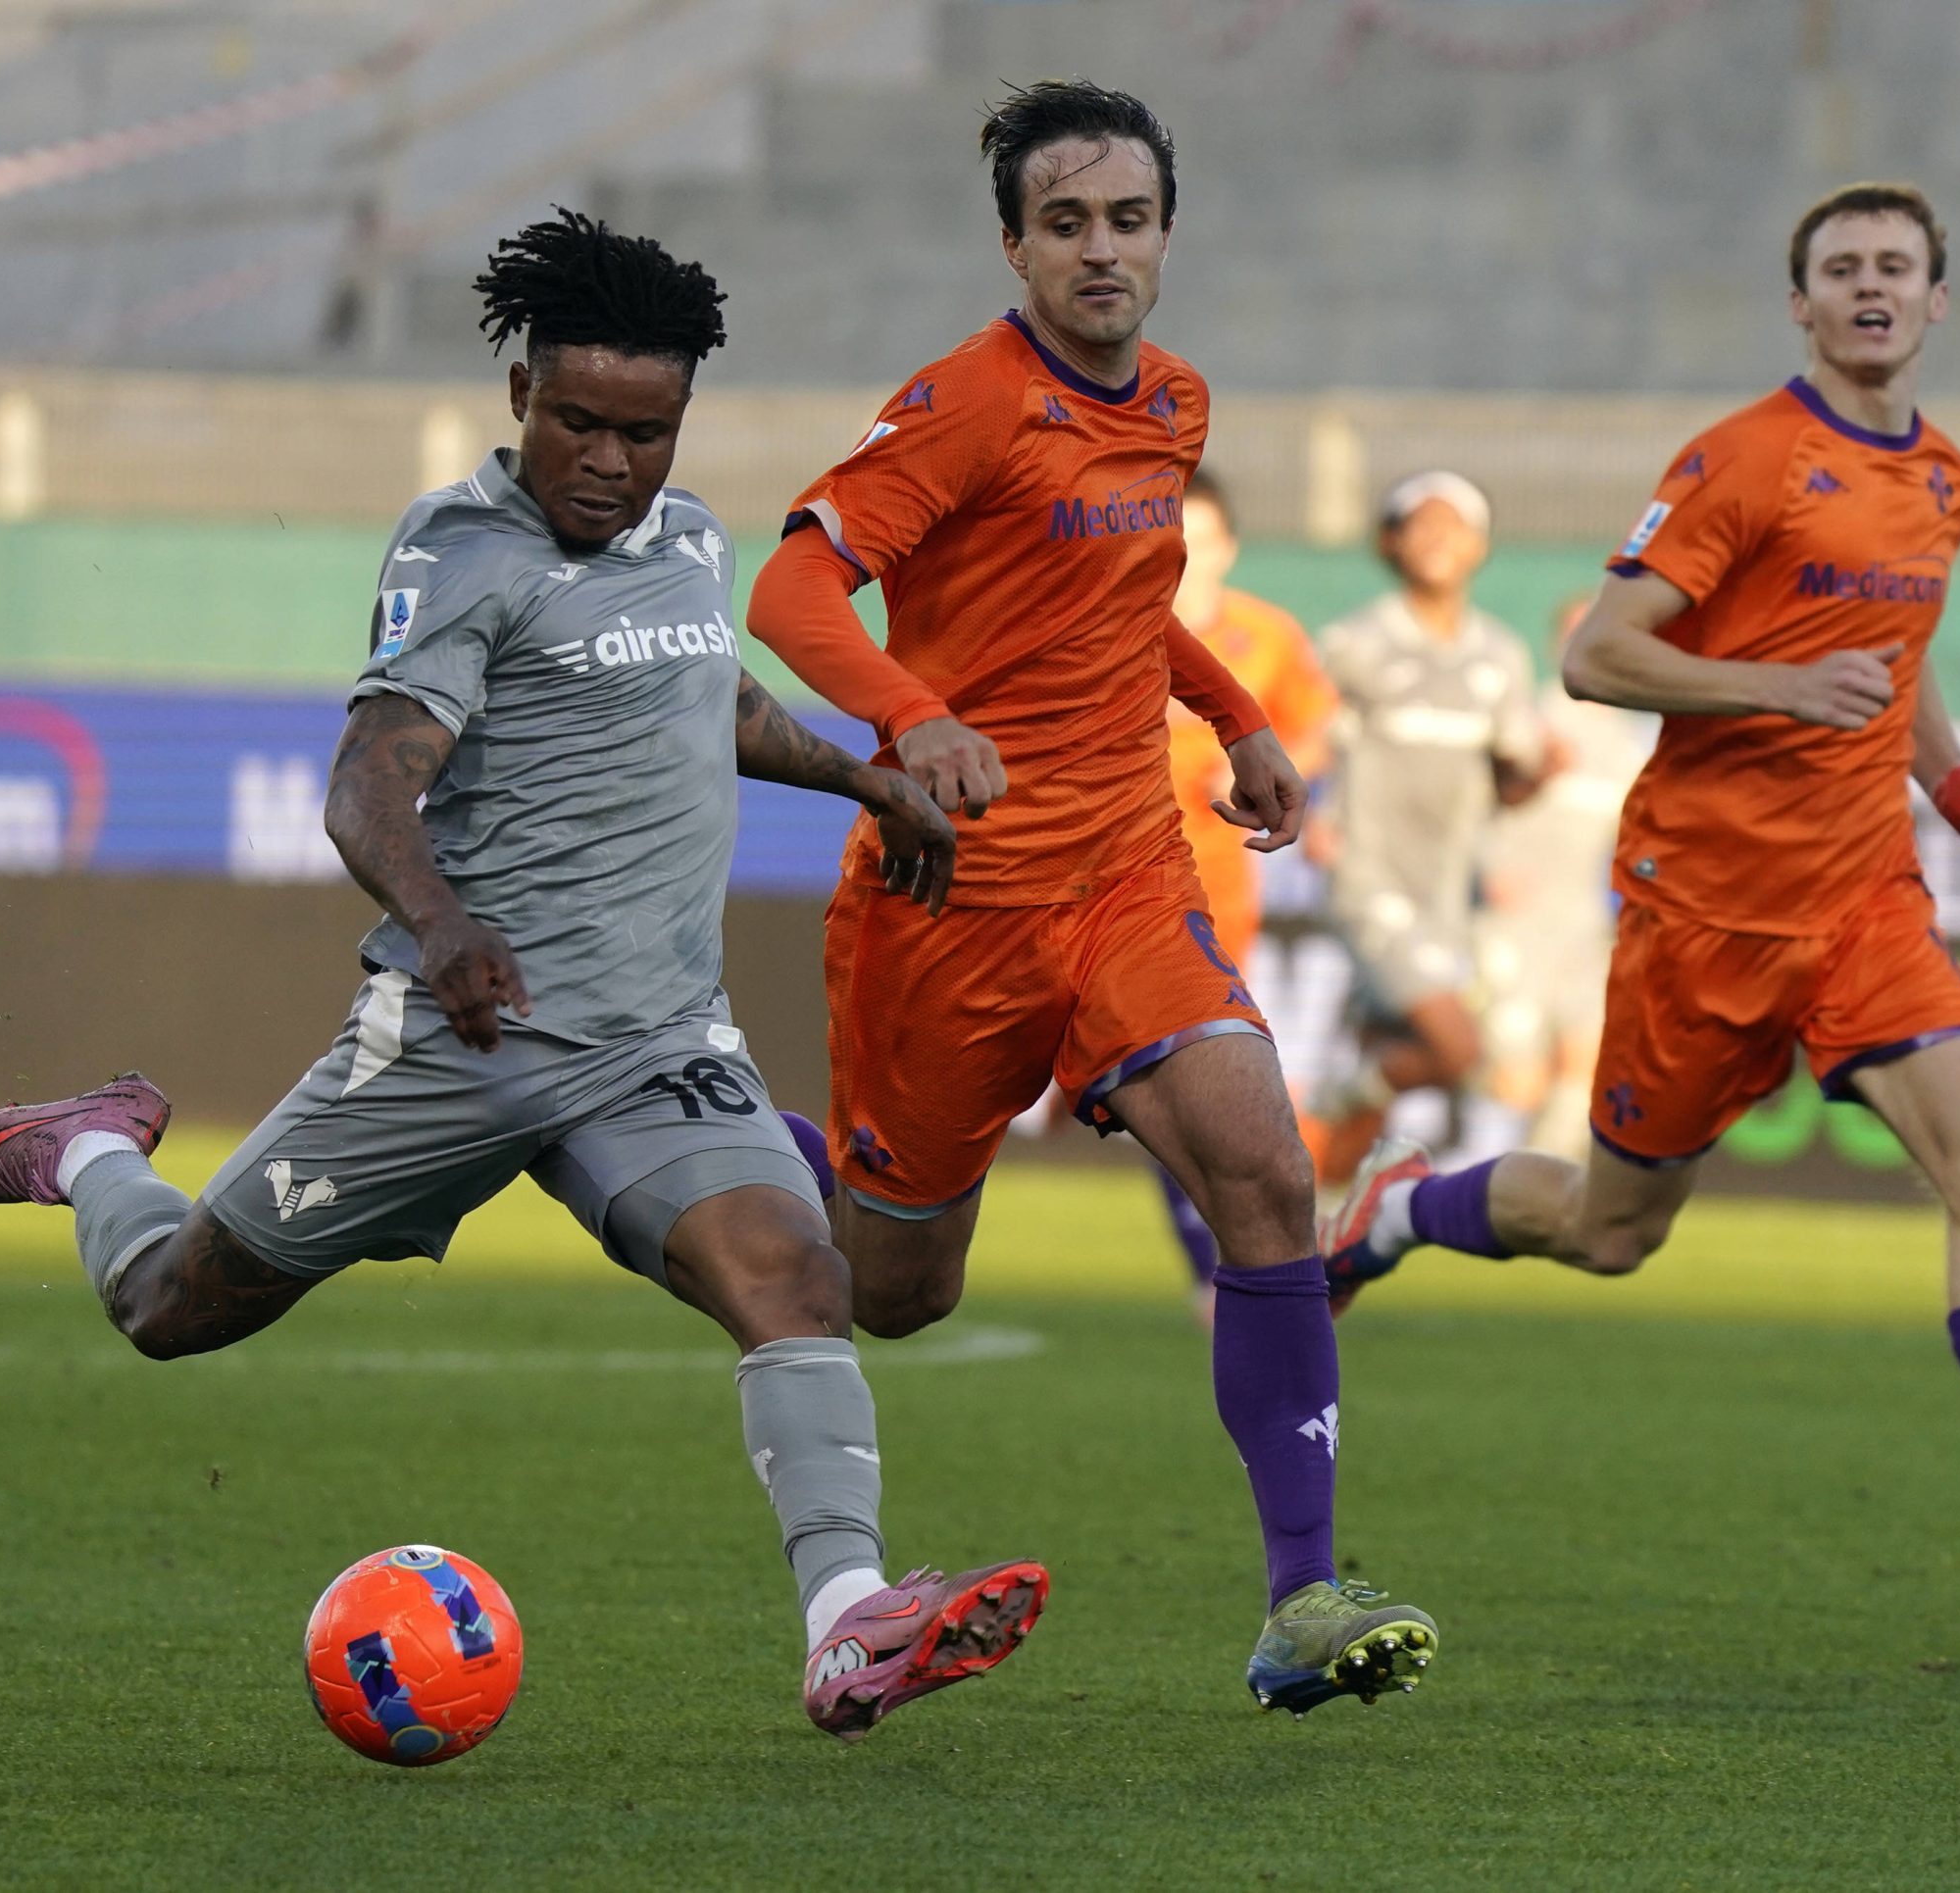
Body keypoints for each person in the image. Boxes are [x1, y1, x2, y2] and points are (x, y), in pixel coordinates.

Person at [0, 211, 1046, 1741]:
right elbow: (366, 786)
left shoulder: (693, 538)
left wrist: (867, 780)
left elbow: (706, 692)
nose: (608, 459)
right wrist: (445, 920)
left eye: (643, 431)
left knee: (798, 1278)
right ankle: (89, 1149)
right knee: (170, 1304)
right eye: (577, 420)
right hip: (463, 1038)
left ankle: (849, 1622)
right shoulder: (460, 553)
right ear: (520, 387)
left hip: (657, 1042)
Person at [1320, 183, 1960, 1610]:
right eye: (1842, 267)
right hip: (1703, 911)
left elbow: (1899, 654)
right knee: (1612, 1231)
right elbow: (1599, 654)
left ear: (1937, 300)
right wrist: (1773, 683)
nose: (1871, 284)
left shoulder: (1946, 476)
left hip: (1865, 904)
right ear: (1803, 303)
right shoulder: (1744, 460)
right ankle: (1397, 1208)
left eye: (1897, 265)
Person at [745, 81, 1438, 1716]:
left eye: (1128, 219)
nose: (1100, 250)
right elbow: (789, 587)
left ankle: (1301, 1599)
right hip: (951, 894)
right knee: (898, 1292)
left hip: (1127, 869)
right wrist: (914, 715)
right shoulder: (967, 405)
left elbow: (1127, 607)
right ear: (1014, 244)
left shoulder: (1174, 403)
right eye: (1066, 223)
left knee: (1263, 1165)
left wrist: (1240, 717)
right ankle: (730, 1136)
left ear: (1166, 234)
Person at [1304, 472, 1546, 1184]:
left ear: (1480, 545)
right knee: (1459, 1051)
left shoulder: (1501, 657)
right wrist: (1303, 805)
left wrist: (1541, 771)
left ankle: (1318, 1239)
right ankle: (1326, 1102)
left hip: (1447, 893)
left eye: (1456, 525)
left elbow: (1511, 782)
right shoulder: (1355, 643)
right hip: (1369, 879)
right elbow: (1308, 734)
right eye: (1422, 523)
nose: (1439, 538)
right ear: (1392, 540)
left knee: (1386, 1059)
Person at [1156, 467, 1335, 1320]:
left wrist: (1280, 768)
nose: (1185, 555)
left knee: (1182, 1074)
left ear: (1225, 543)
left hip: (1215, 893)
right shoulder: (1104, 624)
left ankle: (1213, 1264)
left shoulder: (1265, 636)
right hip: (1095, 880)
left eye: (1200, 537)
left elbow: (1316, 723)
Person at [1469, 593, 1654, 1161]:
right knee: (1515, 1084)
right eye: (1576, 632)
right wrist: (1486, 869)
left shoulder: (1629, 744)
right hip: (1512, 926)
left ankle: (1545, 1183)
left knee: (1587, 1060)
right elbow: (1467, 807)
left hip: (1581, 926)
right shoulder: (1528, 722)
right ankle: (1467, 1164)